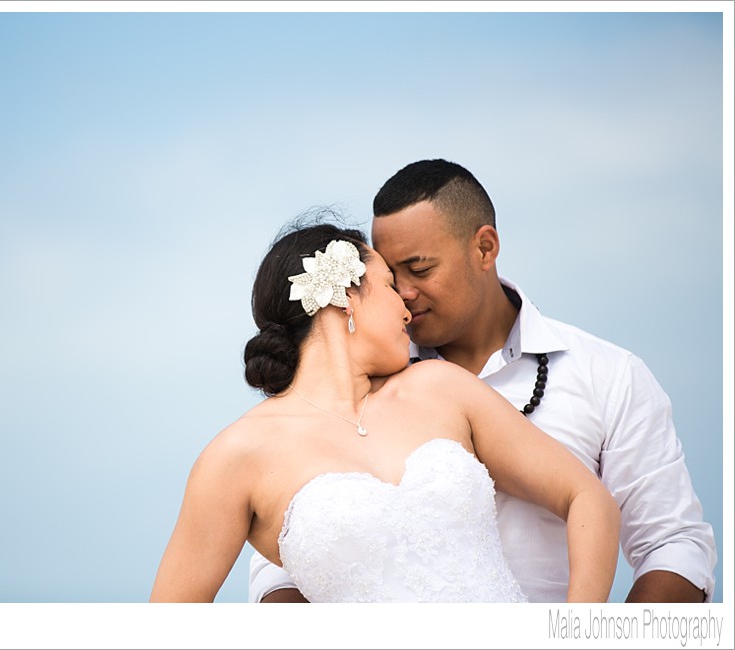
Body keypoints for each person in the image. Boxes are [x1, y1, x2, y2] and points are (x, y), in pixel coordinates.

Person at [249, 159, 717, 604]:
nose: (405, 293)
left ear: (485, 248)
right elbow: (282, 556)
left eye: (421, 269)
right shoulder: (350, 388)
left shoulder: (608, 375)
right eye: (391, 280)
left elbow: (672, 544)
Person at [151, 221, 620, 603]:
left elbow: (588, 498)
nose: (407, 309)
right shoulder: (237, 456)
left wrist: (573, 637)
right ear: (346, 296)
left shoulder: (442, 388)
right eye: (392, 286)